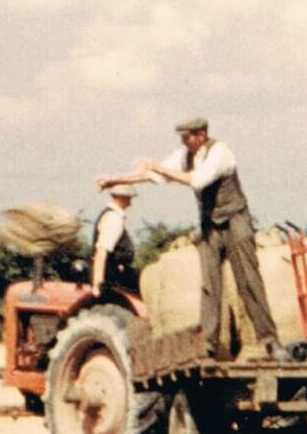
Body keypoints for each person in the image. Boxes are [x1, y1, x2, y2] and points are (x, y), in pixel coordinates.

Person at [96, 117, 280, 360]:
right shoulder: (186, 155)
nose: (184, 142)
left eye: (187, 137)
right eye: (182, 138)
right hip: (210, 223)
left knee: (247, 280)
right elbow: (156, 174)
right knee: (209, 284)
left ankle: (270, 341)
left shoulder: (220, 152)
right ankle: (210, 343)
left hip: (235, 219)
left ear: (201, 134)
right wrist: (118, 180)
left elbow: (197, 180)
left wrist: (159, 168)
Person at [89, 185, 140, 292]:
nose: (130, 203)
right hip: (112, 279)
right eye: (128, 198)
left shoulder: (114, 216)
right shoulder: (113, 218)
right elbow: (101, 251)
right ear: (120, 197)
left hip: (115, 275)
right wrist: (98, 284)